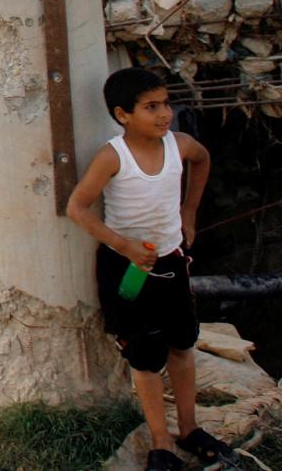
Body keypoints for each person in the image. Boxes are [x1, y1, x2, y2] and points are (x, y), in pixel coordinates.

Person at [67, 67, 234, 471]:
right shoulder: (113, 157)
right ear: (123, 114)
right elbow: (77, 208)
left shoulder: (179, 146)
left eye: (166, 104)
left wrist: (189, 211)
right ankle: (161, 440)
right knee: (144, 355)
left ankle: (189, 428)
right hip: (127, 269)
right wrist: (122, 245)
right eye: (151, 107)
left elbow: (203, 158)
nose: (164, 114)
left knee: (182, 343)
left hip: (171, 262)